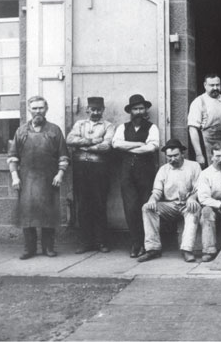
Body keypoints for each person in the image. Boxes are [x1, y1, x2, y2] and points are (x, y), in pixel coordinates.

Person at [8, 96, 70, 259]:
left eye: (40, 108)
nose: (37, 111)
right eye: (34, 108)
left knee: (48, 213)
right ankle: (29, 249)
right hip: (26, 179)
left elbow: (63, 155)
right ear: (29, 110)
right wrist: (15, 176)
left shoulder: (54, 130)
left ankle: (48, 248)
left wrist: (60, 173)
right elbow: (13, 156)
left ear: (46, 109)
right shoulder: (21, 131)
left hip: (49, 179)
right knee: (27, 213)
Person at [138, 139, 202, 263]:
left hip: (187, 204)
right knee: (147, 208)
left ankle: (187, 249)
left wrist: (193, 198)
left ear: (182, 154)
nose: (172, 159)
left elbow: (199, 188)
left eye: (176, 155)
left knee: (195, 208)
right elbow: (157, 191)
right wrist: (152, 200)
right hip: (170, 205)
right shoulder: (164, 169)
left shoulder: (194, 166)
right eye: (169, 156)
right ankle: (153, 248)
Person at [112, 94, 160, 258]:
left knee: (146, 207)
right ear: (130, 111)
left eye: (141, 108)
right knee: (130, 208)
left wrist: (129, 148)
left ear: (145, 110)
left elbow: (152, 147)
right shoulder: (122, 128)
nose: (138, 112)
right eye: (135, 109)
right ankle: (136, 243)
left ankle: (148, 244)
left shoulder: (152, 127)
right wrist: (139, 144)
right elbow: (116, 144)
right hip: (127, 173)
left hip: (146, 172)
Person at [66, 96, 115, 254]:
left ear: (103, 109)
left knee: (99, 204)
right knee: (83, 206)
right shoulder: (80, 124)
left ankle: (101, 242)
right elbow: (70, 139)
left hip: (100, 169)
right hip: (81, 168)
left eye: (98, 109)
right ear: (87, 109)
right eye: (92, 109)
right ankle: (86, 242)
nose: (95, 112)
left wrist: (84, 147)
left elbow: (106, 146)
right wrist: (92, 141)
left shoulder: (109, 126)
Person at [188, 73, 221, 167]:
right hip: (211, 151)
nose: (215, 88)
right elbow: (192, 129)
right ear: (205, 85)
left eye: (217, 85)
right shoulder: (198, 102)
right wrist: (199, 154)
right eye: (212, 85)